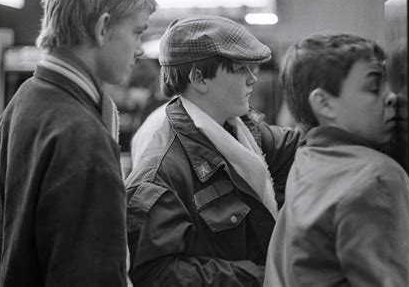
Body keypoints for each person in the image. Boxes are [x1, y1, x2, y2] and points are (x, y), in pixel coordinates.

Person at [0, 0, 156, 285]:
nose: (139, 49)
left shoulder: (27, 96)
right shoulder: (85, 138)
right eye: (137, 32)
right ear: (102, 28)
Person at [125, 15, 301, 286]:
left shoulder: (243, 132)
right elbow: (154, 274)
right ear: (199, 79)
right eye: (240, 68)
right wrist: (257, 276)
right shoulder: (161, 174)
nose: (252, 79)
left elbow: (297, 147)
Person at [264, 33, 409, 286]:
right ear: (324, 103)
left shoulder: (308, 158)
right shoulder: (377, 177)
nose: (392, 96)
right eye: (374, 87)